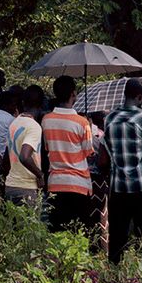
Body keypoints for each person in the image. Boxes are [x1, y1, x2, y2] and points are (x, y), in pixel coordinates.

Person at [103, 80, 142, 262]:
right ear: (141, 97)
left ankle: (114, 273)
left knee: (117, 235)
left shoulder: (109, 119)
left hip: (118, 185)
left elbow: (107, 150)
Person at [41, 75, 96, 232]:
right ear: (73, 94)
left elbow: (47, 147)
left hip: (55, 183)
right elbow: (89, 152)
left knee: (57, 233)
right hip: (78, 184)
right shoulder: (82, 122)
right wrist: (89, 129)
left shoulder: (46, 119)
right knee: (79, 233)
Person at [6, 86, 46, 212]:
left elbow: (5, 158)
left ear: (23, 103)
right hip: (26, 188)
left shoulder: (14, 123)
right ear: (41, 104)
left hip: (10, 186)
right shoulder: (34, 127)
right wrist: (40, 175)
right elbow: (24, 156)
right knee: (30, 230)